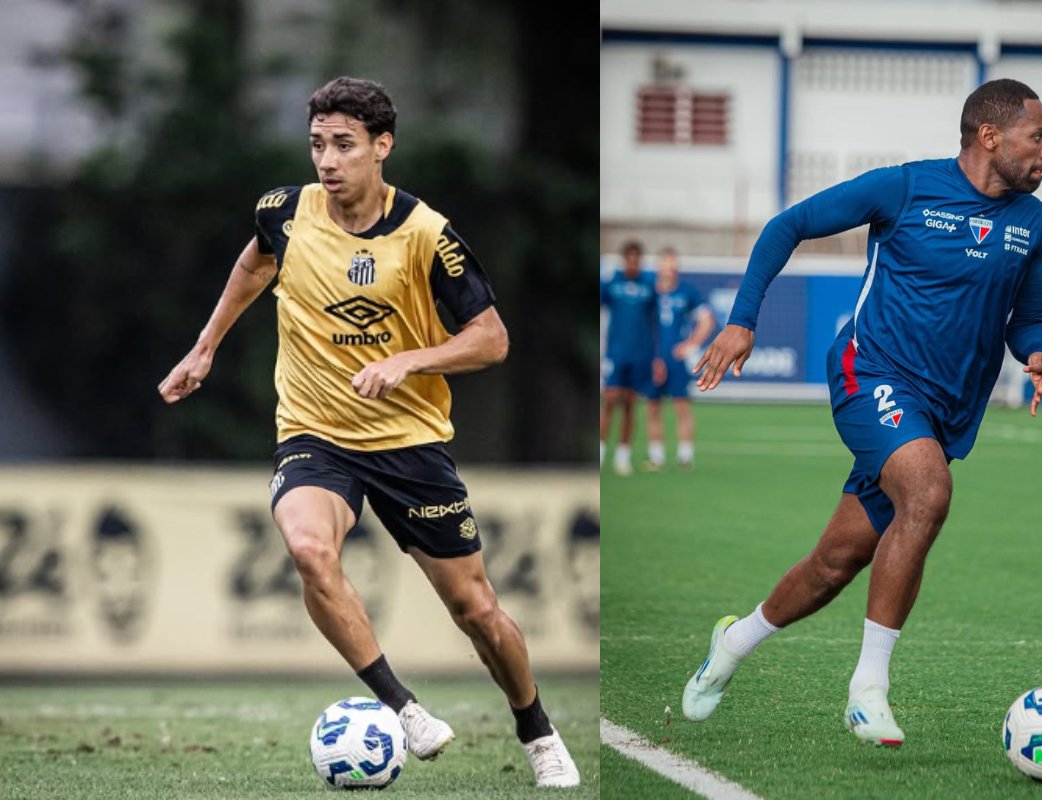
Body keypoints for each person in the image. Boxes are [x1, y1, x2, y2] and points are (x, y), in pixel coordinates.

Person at [157, 76, 579, 788]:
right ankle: (403, 709)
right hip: (313, 434)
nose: (327, 160)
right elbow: (254, 264)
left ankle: (537, 730)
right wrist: (205, 347)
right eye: (319, 144)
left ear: (382, 147)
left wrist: (413, 358)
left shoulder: (427, 236)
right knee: (309, 549)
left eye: (344, 146)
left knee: (476, 610)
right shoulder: (284, 212)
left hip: (409, 444)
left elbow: (492, 339)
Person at [681, 78, 1042, 747]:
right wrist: (743, 321)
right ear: (989, 136)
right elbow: (787, 225)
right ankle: (868, 689)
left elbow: (1026, 315)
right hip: (871, 374)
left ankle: (733, 644)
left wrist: (1037, 354)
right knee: (929, 491)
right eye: (1039, 136)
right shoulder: (905, 188)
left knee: (835, 562)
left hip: (944, 414)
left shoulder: (1033, 222)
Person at [644, 247, 715, 470]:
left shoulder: (686, 292)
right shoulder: (649, 292)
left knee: (681, 406)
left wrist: (691, 344)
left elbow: (707, 320)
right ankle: (656, 457)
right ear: (659, 266)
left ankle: (685, 457)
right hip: (652, 358)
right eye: (667, 263)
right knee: (653, 407)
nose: (671, 267)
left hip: (676, 360)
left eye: (674, 263)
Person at [599, 240, 657, 476]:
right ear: (624, 259)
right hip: (616, 352)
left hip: (640, 354)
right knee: (610, 400)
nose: (633, 263)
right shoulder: (612, 284)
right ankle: (601, 455)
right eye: (629, 258)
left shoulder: (649, 286)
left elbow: (655, 320)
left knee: (630, 405)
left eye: (637, 259)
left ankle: (623, 457)